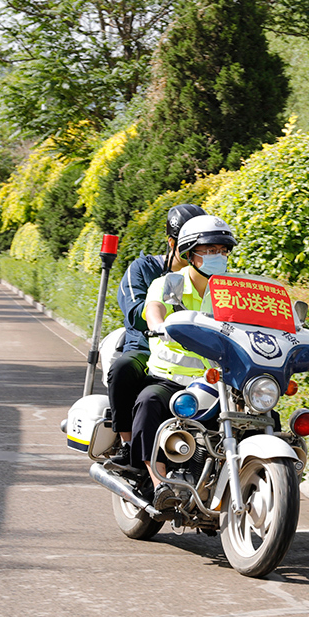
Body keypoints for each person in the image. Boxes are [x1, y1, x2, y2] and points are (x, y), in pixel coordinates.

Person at [129, 214, 237, 505]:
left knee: (263, 417)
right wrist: (159, 324)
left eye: (223, 251)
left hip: (218, 382)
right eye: (210, 250)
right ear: (190, 255)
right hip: (171, 379)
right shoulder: (170, 283)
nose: (219, 256)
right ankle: (159, 482)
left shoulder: (232, 290)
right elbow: (153, 308)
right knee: (149, 403)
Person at [104, 204, 206, 468]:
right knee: (124, 368)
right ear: (173, 242)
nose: (201, 252)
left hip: (199, 353)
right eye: (192, 245)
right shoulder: (144, 269)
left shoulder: (213, 279)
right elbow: (136, 311)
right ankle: (128, 444)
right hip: (146, 347)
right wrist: (161, 310)